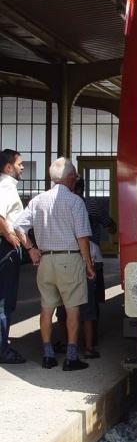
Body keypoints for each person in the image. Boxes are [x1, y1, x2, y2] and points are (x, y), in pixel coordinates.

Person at [13, 157, 95, 370]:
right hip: (69, 258)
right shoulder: (75, 202)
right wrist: (88, 263)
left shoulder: (38, 200)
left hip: (46, 260)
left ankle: (48, 355)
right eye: (75, 176)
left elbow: (18, 226)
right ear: (70, 177)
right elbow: (82, 237)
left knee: (47, 308)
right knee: (73, 308)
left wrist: (31, 249)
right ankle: (71, 357)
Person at [56, 177, 116, 357]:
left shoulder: (59, 204)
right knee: (91, 302)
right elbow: (110, 226)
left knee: (64, 303)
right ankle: (91, 343)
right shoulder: (92, 204)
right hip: (92, 256)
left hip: (65, 257)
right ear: (83, 188)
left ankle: (66, 341)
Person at [0, 150, 38, 364]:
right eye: (19, 164)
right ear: (8, 167)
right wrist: (9, 235)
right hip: (5, 248)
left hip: (7, 245)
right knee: (5, 300)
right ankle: (2, 350)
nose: (22, 167)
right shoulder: (5, 187)